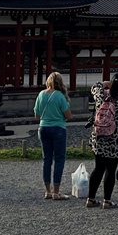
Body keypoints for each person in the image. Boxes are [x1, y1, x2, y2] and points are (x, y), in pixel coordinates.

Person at [86, 72, 118, 209]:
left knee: (98, 168)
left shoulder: (101, 97)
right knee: (111, 170)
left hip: (99, 137)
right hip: (116, 139)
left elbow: (94, 87)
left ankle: (91, 199)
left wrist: (104, 84)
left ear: (111, 84)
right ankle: (107, 201)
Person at [33, 71, 72, 200]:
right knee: (59, 159)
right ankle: (56, 191)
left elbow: (37, 115)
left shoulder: (41, 94)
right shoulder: (60, 96)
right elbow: (68, 116)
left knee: (47, 159)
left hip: (43, 127)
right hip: (58, 128)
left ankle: (47, 191)